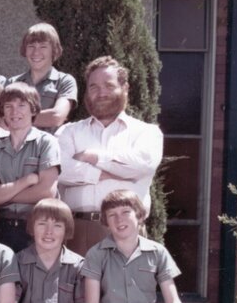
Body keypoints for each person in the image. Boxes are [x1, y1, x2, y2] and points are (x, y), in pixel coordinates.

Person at [56, 55, 164, 255]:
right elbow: (59, 170)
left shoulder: (147, 133)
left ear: (125, 88)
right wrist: (106, 173)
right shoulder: (68, 132)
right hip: (76, 232)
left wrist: (92, 156)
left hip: (127, 231)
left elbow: (142, 165)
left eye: (108, 85)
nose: (101, 93)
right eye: (94, 87)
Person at [0, 82, 60, 252]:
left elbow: (46, 192)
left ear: (33, 110)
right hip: (1, 227)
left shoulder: (47, 143)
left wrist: (5, 195)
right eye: (8, 106)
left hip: (36, 227)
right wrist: (25, 181)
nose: (14, 112)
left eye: (21, 105)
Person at [8, 23, 77, 131]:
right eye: (31, 46)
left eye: (43, 46)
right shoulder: (13, 82)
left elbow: (57, 116)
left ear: (54, 50)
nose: (36, 52)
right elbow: (2, 118)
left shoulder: (64, 81)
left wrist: (17, 118)